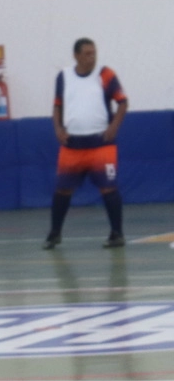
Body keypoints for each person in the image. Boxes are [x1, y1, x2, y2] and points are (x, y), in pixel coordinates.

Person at [44, 37, 127, 249]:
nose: (92, 57)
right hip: (72, 146)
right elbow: (57, 106)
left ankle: (117, 234)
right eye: (87, 54)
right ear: (76, 56)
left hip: (101, 145)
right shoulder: (64, 76)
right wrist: (58, 129)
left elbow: (122, 102)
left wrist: (114, 127)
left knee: (108, 188)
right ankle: (54, 233)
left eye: (94, 53)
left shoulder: (105, 74)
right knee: (63, 190)